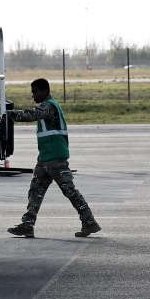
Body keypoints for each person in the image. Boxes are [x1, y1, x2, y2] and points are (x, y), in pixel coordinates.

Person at [6, 78, 101, 238]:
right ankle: (27, 224)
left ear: (45, 91)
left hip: (55, 159)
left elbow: (33, 114)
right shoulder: (49, 104)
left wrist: (12, 114)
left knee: (70, 191)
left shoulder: (49, 106)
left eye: (35, 92)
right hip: (45, 158)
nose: (33, 96)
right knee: (35, 190)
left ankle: (89, 222)